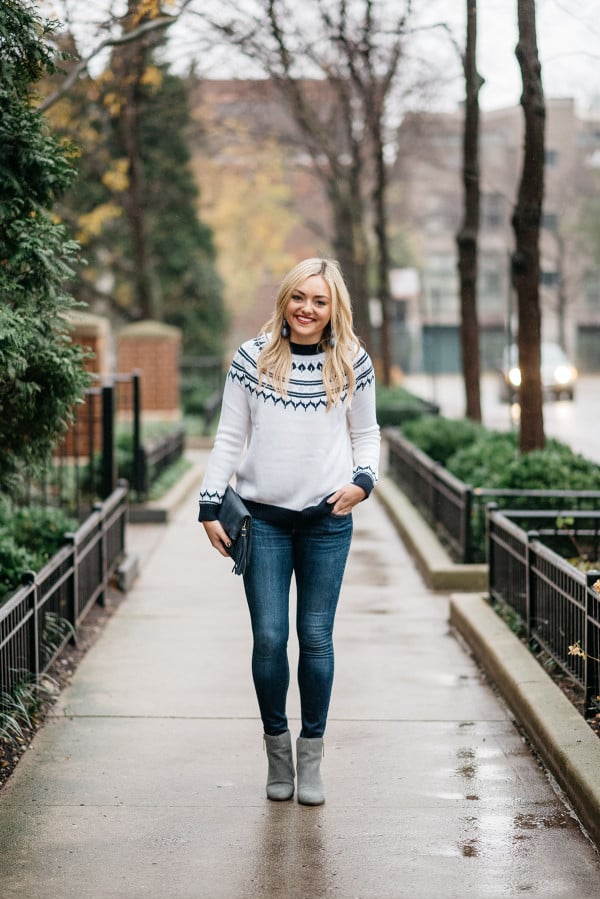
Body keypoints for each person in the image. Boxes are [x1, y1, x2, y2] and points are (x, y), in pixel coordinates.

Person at [198, 257, 380, 805]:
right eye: (299, 297)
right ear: (284, 300)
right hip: (264, 523)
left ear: (333, 309)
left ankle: (313, 754)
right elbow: (229, 437)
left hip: (328, 523)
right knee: (271, 638)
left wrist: (363, 482)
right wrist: (210, 503)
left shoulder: (352, 361)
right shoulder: (251, 360)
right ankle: (277, 751)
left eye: (319, 301)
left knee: (316, 639)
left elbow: (367, 433)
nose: (307, 309)